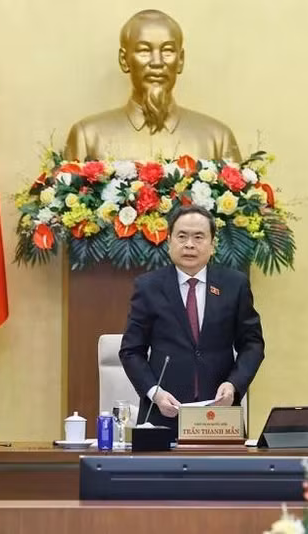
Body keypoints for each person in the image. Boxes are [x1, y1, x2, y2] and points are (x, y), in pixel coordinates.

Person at [119, 205, 265, 430]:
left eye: (198, 237)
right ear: (169, 241)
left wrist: (234, 385)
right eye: (182, 236)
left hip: (219, 414)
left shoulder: (234, 285)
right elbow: (131, 350)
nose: (189, 244)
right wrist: (154, 393)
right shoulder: (149, 287)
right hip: (164, 414)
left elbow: (252, 344)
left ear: (212, 244)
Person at [64, 9, 242, 162]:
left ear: (180, 60)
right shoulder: (87, 137)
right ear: (124, 60)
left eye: (167, 51)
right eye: (144, 50)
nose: (157, 62)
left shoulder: (217, 139)